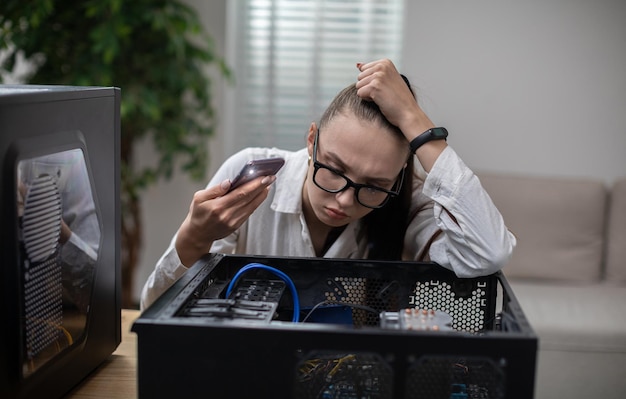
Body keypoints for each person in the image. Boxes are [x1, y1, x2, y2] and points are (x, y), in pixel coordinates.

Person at [140, 58, 516, 310]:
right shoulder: (251, 173)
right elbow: (153, 309)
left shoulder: (408, 205)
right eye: (333, 169)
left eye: (373, 185)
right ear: (311, 139)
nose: (345, 200)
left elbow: (489, 252)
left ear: (399, 175)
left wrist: (416, 122)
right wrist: (194, 236)